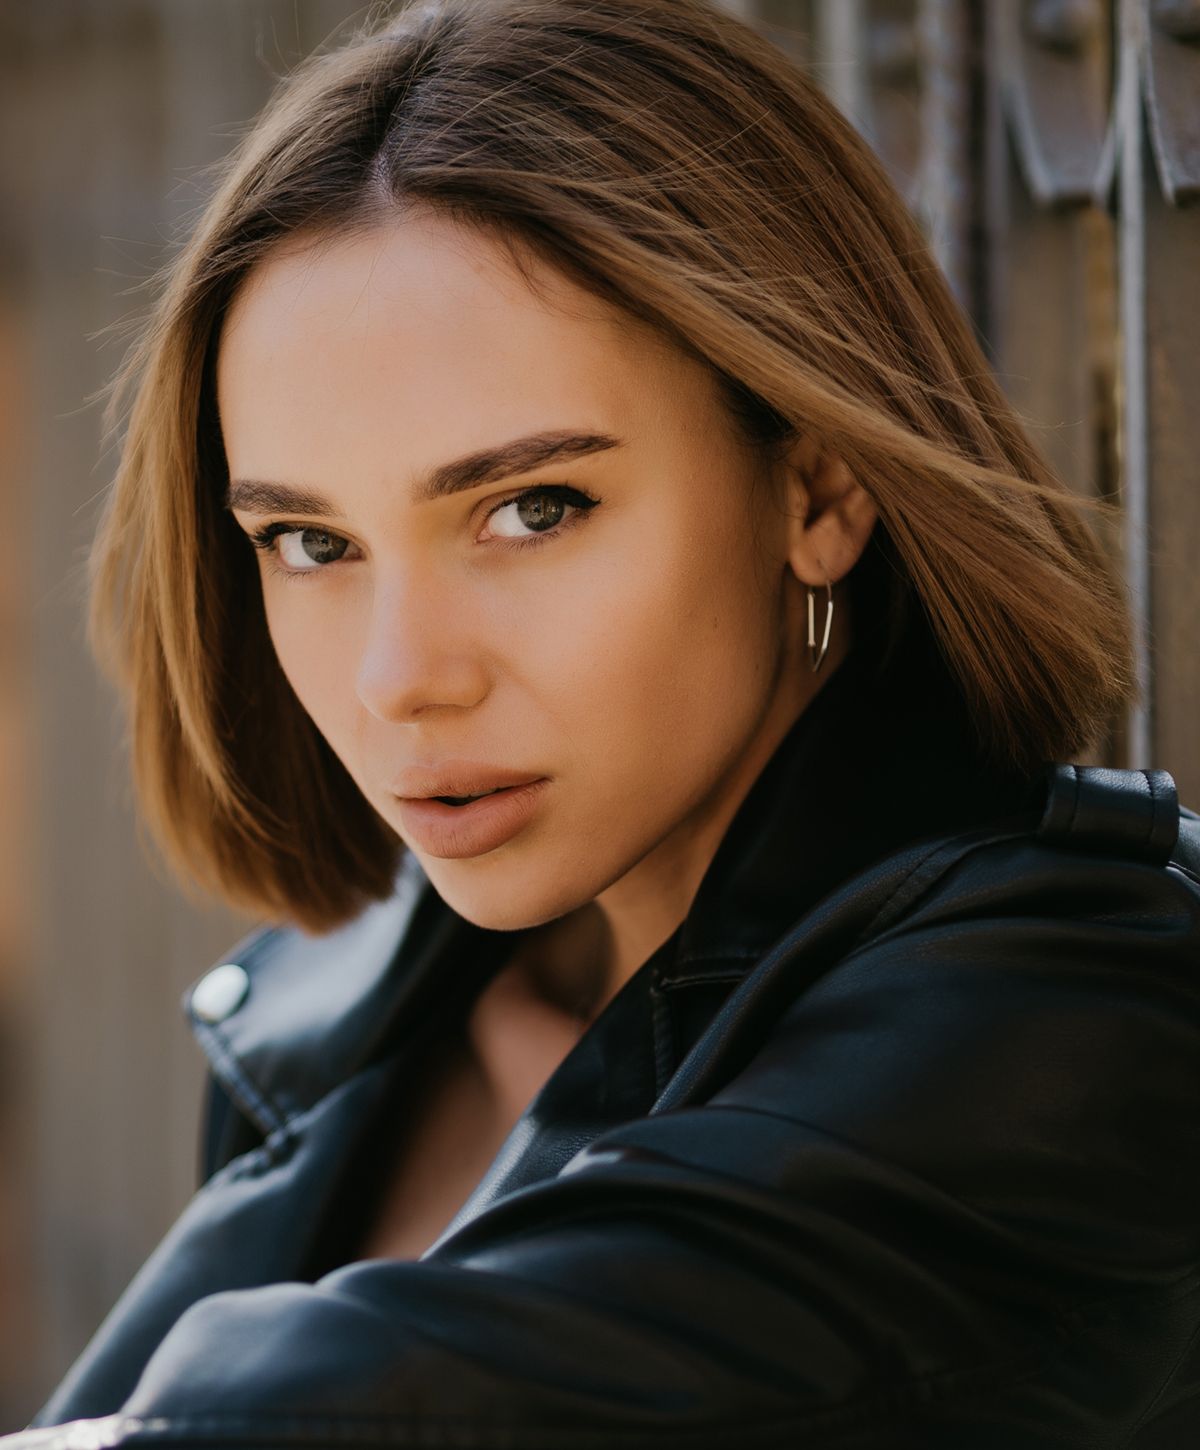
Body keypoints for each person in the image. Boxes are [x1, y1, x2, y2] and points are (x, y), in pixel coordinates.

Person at [9, 0, 1200, 1444]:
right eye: (311, 543)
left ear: (815, 490)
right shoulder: (343, 1015)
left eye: (529, 509)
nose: (401, 676)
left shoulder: (1068, 1015)